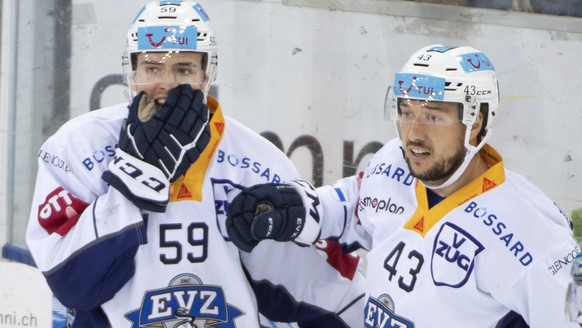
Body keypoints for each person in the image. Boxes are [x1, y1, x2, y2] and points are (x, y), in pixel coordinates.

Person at [25, 1, 365, 326]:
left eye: (183, 69)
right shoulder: (78, 146)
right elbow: (71, 284)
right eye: (152, 68)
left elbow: (321, 295)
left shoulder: (259, 162)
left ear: (206, 75)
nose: (166, 85)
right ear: (132, 73)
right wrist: (129, 189)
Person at [225, 44, 581, 327]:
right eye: (407, 112)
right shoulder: (393, 161)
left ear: (476, 123)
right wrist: (299, 208)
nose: (413, 134)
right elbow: (357, 208)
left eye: (433, 117)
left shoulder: (531, 235)